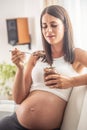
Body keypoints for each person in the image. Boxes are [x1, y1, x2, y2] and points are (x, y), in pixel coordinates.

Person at [0, 4, 87, 130]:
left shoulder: (76, 54)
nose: (48, 31)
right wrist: (20, 68)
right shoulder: (36, 56)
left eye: (54, 25)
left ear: (65, 26)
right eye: (44, 26)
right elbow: (18, 99)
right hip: (13, 124)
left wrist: (71, 82)